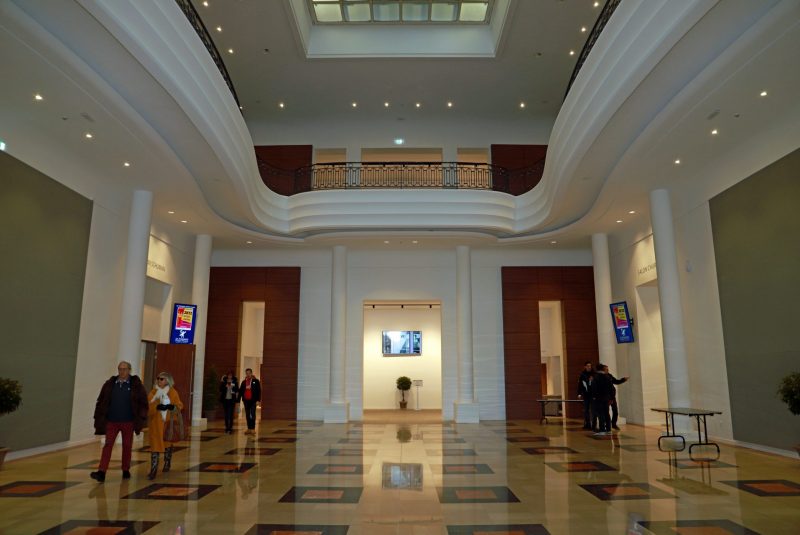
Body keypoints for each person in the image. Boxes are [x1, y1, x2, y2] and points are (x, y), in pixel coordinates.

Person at [91, 361, 148, 483]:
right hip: (112, 421)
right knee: (107, 445)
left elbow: (143, 402)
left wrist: (141, 417)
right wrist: (98, 416)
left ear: (129, 370)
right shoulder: (110, 384)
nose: (122, 371)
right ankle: (101, 472)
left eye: (124, 369)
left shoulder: (136, 385)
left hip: (128, 422)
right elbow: (101, 401)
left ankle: (125, 469)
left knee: (127, 446)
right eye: (120, 369)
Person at [146, 372, 184, 480]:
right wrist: (157, 407)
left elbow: (180, 405)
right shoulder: (153, 393)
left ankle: (167, 462)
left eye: (161, 379)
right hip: (156, 425)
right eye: (158, 378)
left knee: (168, 444)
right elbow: (148, 408)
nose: (159, 380)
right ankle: (153, 469)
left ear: (167, 380)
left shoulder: (173, 392)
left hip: (168, 424)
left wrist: (172, 407)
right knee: (155, 447)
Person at [603, 365, 629, 430]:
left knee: (615, 411)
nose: (607, 370)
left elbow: (616, 381)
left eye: (607, 369)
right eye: (606, 369)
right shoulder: (601, 378)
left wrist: (623, 379)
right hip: (605, 397)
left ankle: (614, 424)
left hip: (612, 396)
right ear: (603, 370)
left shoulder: (610, 376)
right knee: (606, 411)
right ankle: (607, 424)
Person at [591, 363, 614, 435]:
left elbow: (594, 388)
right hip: (606, 398)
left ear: (597, 369)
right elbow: (611, 388)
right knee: (606, 413)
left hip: (598, 398)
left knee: (600, 414)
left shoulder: (596, 377)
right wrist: (611, 398)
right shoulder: (607, 377)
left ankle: (602, 430)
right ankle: (608, 429)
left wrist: (594, 397)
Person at [238, 368, 261, 435]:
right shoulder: (244, 382)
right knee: (247, 414)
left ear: (251, 373)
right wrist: (238, 401)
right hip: (246, 400)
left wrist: (258, 400)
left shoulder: (255, 381)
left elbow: (259, 391)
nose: (248, 374)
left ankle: (253, 429)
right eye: (247, 373)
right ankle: (249, 428)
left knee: (252, 414)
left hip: (253, 400)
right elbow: (240, 392)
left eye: (249, 373)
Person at [576, 361, 594, 430]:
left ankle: (593, 424)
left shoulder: (594, 374)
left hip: (593, 395)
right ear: (585, 367)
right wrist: (579, 393)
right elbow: (580, 385)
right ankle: (588, 424)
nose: (589, 367)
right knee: (586, 410)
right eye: (588, 366)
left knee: (593, 410)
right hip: (586, 395)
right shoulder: (582, 374)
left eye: (590, 366)